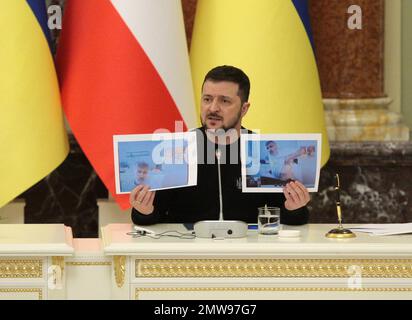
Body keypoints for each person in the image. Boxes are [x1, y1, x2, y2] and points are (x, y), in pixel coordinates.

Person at [130, 65, 310, 225]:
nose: (213, 108)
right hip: (186, 255)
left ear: (244, 109)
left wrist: (294, 208)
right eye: (207, 99)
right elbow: (153, 215)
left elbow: (287, 217)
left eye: (224, 101)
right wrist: (144, 211)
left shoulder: (259, 150)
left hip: (246, 254)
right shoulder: (177, 150)